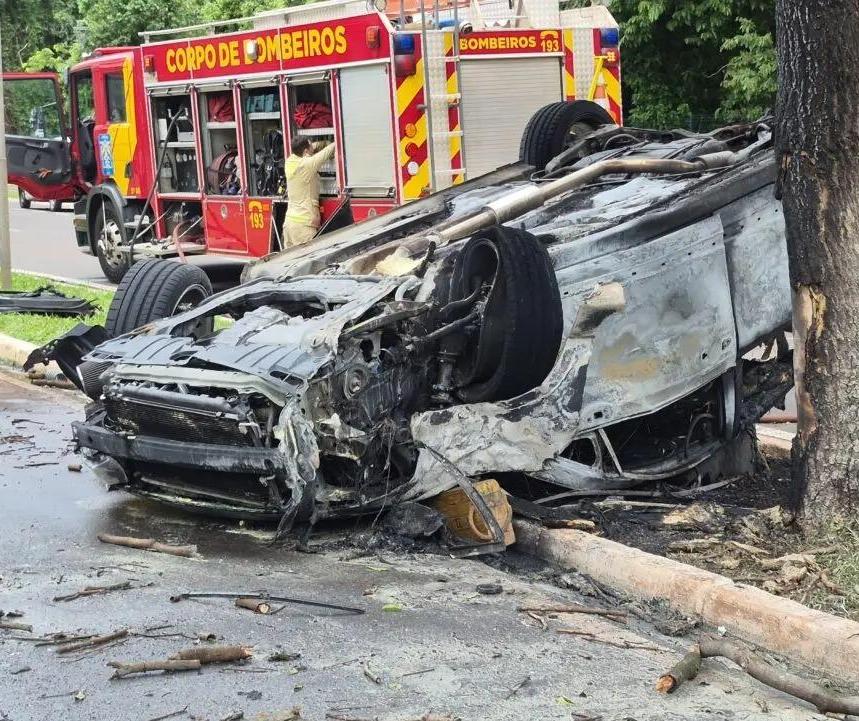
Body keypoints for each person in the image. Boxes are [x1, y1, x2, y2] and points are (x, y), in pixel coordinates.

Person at [282, 137, 336, 248]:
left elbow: (309, 148)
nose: (313, 147)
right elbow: (327, 152)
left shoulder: (290, 162)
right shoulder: (307, 165)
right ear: (306, 151)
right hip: (304, 227)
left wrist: (320, 143)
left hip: (289, 225)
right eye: (310, 146)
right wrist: (337, 140)